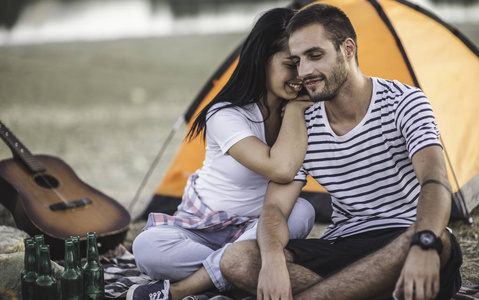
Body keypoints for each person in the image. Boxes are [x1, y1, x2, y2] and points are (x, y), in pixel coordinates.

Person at [219, 3, 463, 300]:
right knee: (236, 259)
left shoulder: (405, 102)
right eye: (296, 60)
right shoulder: (302, 123)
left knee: (438, 242)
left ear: (347, 49)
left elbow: (435, 181)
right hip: (344, 244)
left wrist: (424, 242)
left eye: (315, 55)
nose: (304, 71)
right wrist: (272, 261)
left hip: (404, 235)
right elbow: (275, 208)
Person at [127, 7, 316, 300]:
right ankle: (240, 272)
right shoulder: (225, 113)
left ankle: (182, 289)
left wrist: (293, 110)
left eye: (304, 63)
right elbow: (277, 167)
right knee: (146, 247)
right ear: (262, 60)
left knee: (303, 211)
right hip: (201, 228)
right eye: (291, 64)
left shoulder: (302, 112)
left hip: (261, 229)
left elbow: (287, 174)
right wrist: (294, 108)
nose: (300, 74)